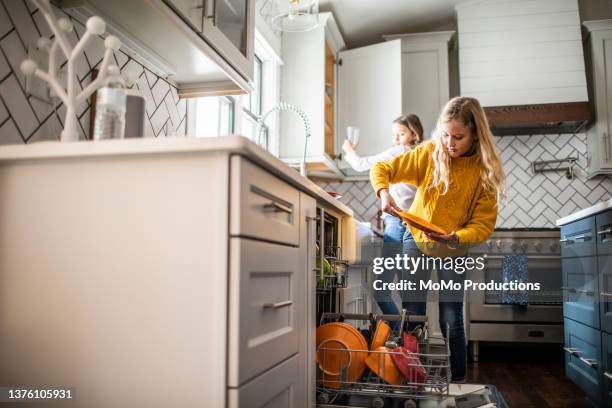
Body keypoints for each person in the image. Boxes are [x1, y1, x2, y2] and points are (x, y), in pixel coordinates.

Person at [370, 96, 506, 382]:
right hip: (416, 240)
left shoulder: (483, 171)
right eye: (445, 134)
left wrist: (455, 236)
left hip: (454, 248)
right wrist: (384, 193)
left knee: (451, 319)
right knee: (414, 316)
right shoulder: (430, 152)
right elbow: (382, 169)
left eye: (458, 136)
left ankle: (457, 384)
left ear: (475, 135)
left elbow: (483, 224)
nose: (449, 142)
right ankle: (414, 383)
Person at [343, 114, 423, 316]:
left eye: (401, 133)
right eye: (394, 135)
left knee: (382, 289)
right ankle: (409, 339)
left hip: (398, 223)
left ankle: (399, 334)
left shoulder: (400, 152)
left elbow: (361, 165)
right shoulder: (420, 155)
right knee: (411, 289)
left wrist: (349, 150)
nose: (396, 139)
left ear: (414, 133)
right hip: (414, 224)